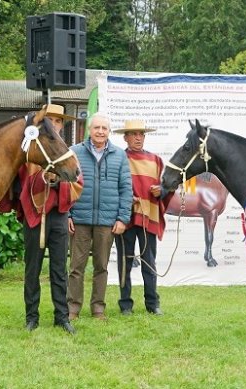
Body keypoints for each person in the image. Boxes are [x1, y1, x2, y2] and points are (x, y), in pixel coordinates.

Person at [0, 104, 83, 334]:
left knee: (59, 269)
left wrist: (56, 181)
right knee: (32, 268)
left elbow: (78, 182)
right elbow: (17, 183)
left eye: (58, 121)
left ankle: (62, 317)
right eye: (51, 120)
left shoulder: (67, 152)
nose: (54, 124)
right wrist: (40, 179)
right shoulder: (29, 153)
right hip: (34, 217)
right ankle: (31, 317)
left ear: (62, 125)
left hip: (58, 217)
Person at [67, 112, 133, 321]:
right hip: (79, 220)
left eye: (104, 128)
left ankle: (98, 309)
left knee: (101, 267)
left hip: (107, 222)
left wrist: (122, 218)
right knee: (76, 267)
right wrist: (67, 214)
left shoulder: (119, 155)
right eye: (97, 128)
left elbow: (126, 189)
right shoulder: (74, 152)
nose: (100, 132)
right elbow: (65, 186)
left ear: (109, 131)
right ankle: (73, 309)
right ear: (89, 129)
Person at [113, 119, 172, 316]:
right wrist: (125, 198)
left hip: (149, 216)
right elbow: (112, 186)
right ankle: (125, 304)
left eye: (141, 134)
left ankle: (153, 303)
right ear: (125, 137)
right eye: (134, 134)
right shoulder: (118, 158)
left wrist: (161, 191)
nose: (138, 138)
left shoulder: (156, 160)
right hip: (125, 217)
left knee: (149, 261)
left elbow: (166, 186)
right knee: (125, 261)